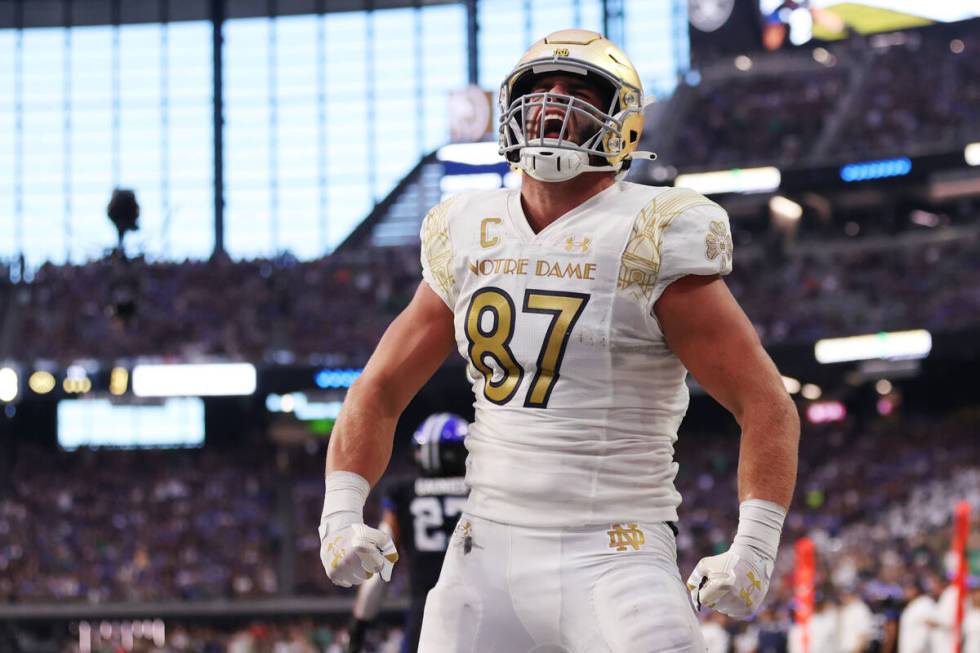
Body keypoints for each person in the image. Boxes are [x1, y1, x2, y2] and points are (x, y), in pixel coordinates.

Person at [318, 28, 799, 652]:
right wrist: (338, 511)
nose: (553, 102)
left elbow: (765, 402)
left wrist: (755, 545)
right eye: (540, 88)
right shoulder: (468, 228)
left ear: (622, 122)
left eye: (578, 90)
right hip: (482, 552)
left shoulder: (652, 228)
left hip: (616, 554)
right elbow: (378, 388)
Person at [346, 413, 469, 653]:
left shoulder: (402, 492)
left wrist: (359, 626)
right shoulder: (481, 490)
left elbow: (381, 563)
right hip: (482, 610)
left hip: (426, 615)